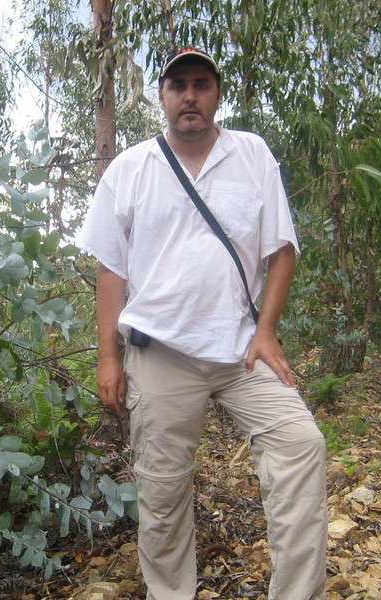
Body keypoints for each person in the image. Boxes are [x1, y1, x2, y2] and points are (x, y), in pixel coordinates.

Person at [76, 47, 327, 600]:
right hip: (160, 351)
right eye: (178, 85)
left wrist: (265, 330)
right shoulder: (131, 169)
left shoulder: (252, 155)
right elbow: (110, 270)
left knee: (300, 445)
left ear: (216, 94)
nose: (190, 95)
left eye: (201, 85)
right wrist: (109, 358)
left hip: (242, 348)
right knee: (163, 495)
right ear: (162, 97)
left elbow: (281, 248)